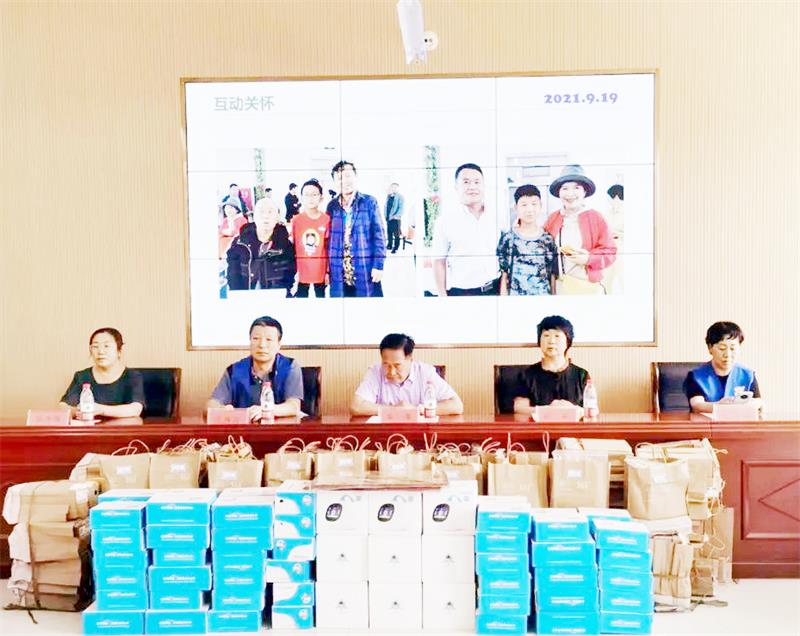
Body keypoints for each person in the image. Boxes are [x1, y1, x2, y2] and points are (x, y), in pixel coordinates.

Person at [207, 316, 303, 420]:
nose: (262, 345)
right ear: (250, 341)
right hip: (245, 429)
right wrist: (222, 409)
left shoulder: (290, 366)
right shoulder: (234, 371)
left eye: (269, 339)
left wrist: (266, 410)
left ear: (278, 344)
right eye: (256, 338)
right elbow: (211, 404)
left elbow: (293, 406)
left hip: (281, 428)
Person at [543, 165, 617, 295]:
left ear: (584, 192)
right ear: (559, 192)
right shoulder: (553, 218)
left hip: (587, 287)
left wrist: (589, 258)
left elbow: (611, 252)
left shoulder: (596, 217)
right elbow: (541, 246)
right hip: (560, 286)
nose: (570, 194)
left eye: (576, 188)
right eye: (565, 188)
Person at [350, 333, 463, 416]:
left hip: (421, 434)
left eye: (397, 365)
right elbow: (356, 407)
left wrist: (415, 410)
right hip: (385, 435)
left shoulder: (425, 372)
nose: (391, 372)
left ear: (410, 359)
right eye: (386, 365)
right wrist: (394, 410)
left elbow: (457, 406)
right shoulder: (375, 371)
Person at [432, 163, 500, 296]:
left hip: (494, 289)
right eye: (466, 182)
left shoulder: (497, 216)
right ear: (456, 187)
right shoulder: (445, 221)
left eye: (477, 182)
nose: (472, 187)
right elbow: (439, 262)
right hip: (461, 293)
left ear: (484, 186)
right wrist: (442, 298)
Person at [327, 160, 386, 297]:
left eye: (348, 176)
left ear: (355, 177)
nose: (345, 181)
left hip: (364, 268)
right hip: (339, 272)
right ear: (335, 182)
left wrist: (379, 265)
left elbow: (379, 236)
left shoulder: (369, 202)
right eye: (340, 178)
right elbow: (328, 240)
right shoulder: (332, 206)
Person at [59, 328, 145, 418]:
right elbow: (63, 406)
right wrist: (79, 411)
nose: (100, 351)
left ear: (119, 350)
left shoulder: (132, 376)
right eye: (95, 346)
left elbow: (136, 409)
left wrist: (101, 410)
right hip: (90, 426)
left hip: (124, 427)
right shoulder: (82, 376)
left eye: (106, 346)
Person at [513, 315, 590, 413]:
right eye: (546, 335)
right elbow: (519, 409)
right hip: (538, 423)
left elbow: (591, 410)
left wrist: (571, 410)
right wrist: (549, 410)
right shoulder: (526, 375)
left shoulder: (582, 374)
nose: (551, 341)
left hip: (573, 423)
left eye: (557, 336)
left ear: (568, 341)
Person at [684, 321, 762, 413]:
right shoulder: (696, 376)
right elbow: (697, 405)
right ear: (710, 348)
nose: (727, 354)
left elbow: (758, 402)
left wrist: (756, 404)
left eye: (732, 348)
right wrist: (721, 406)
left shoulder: (747, 375)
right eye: (722, 348)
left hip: (740, 421)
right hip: (706, 421)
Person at [497, 184, 559, 295]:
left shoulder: (547, 239)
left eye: (534, 204)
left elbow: (552, 275)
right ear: (516, 207)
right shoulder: (508, 238)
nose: (530, 209)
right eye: (524, 205)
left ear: (540, 205)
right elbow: (504, 274)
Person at [226, 197, 295, 294]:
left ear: (277, 217)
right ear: (254, 216)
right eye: (261, 212)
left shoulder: (286, 246)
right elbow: (232, 275)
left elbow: (289, 277)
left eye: (270, 212)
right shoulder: (239, 243)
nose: (265, 216)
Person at [292, 179, 330, 298]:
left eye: (314, 194)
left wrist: (328, 271)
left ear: (321, 198)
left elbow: (328, 247)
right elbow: (293, 246)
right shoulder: (296, 220)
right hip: (302, 270)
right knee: (301, 297)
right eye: (307, 195)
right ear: (301, 198)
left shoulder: (326, 219)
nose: (310, 198)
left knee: (320, 297)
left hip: (320, 270)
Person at [385, 182, 405, 254]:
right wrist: (386, 216)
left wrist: (395, 216)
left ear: (397, 188)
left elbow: (401, 208)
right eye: (392, 187)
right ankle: (389, 245)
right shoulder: (389, 196)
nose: (393, 188)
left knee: (396, 234)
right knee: (389, 233)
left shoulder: (400, 197)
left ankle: (396, 247)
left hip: (396, 219)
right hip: (388, 218)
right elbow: (386, 207)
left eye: (395, 187)